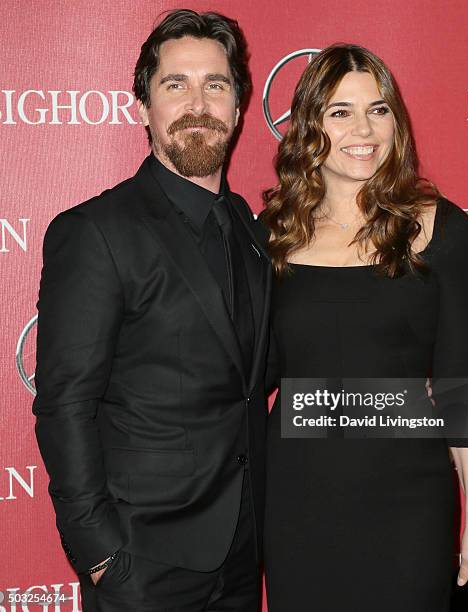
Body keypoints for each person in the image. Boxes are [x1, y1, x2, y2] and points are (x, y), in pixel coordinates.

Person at [32, 9, 271, 612]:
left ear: (239, 107)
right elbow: (65, 403)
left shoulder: (250, 226)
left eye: (216, 85)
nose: (198, 103)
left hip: (243, 556)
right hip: (142, 563)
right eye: (176, 84)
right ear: (143, 106)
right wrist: (100, 554)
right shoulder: (96, 231)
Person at [261, 44, 468, 611]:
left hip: (408, 499)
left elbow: (461, 383)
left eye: (378, 109)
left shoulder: (441, 230)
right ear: (309, 125)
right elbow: (254, 373)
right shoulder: (268, 236)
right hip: (298, 498)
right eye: (340, 111)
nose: (363, 129)